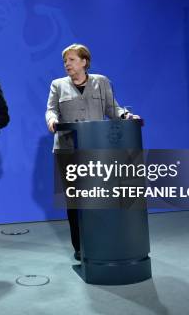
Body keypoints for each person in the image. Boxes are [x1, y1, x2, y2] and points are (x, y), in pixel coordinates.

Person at [45, 43, 140, 261]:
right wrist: (52, 120)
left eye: (71, 60)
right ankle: (80, 247)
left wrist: (126, 116)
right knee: (75, 201)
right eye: (65, 61)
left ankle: (102, 239)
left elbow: (112, 108)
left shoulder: (102, 82)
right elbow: (51, 109)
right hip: (67, 149)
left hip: (98, 150)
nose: (67, 64)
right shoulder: (57, 85)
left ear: (84, 62)